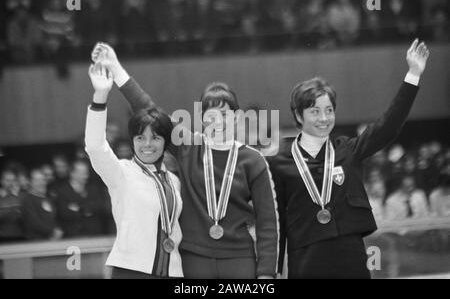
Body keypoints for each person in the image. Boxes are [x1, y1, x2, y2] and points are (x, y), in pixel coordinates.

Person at [91, 43, 279, 279]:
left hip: (239, 257)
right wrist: (116, 69)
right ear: (201, 119)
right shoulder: (188, 146)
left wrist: (266, 273)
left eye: (224, 114)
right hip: (193, 257)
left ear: (238, 117)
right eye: (210, 116)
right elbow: (148, 108)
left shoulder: (254, 160)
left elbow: (268, 221)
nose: (217, 122)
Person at [268, 39, 430, 279]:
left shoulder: (347, 150)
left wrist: (413, 74)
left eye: (329, 110)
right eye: (314, 111)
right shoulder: (279, 163)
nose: (324, 118)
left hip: (350, 257)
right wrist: (273, 272)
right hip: (306, 261)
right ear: (298, 116)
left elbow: (387, 126)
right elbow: (277, 222)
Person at [85, 63, 183, 279]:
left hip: (173, 272)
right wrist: (100, 96)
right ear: (132, 141)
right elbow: (94, 146)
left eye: (155, 137)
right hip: (131, 271)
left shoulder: (174, 180)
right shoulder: (121, 172)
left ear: (165, 142)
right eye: (140, 137)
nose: (147, 144)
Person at [53, 159, 109, 238]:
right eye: (82, 173)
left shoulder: (93, 188)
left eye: (86, 173)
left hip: (95, 236)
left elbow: (100, 207)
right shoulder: (62, 192)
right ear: (72, 173)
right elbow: (64, 213)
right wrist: (88, 210)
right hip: (74, 237)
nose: (86, 176)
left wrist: (79, 208)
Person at [22, 168, 62, 241]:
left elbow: (54, 219)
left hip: (52, 241)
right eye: (37, 180)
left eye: (43, 180)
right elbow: (34, 223)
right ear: (30, 182)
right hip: (35, 243)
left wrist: (57, 231)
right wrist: (53, 232)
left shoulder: (49, 199)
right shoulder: (28, 200)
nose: (41, 183)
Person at [0, 168, 24, 243]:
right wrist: (12, 211)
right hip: (2, 237)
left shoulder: (21, 196)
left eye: (12, 180)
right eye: (8, 180)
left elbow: (25, 216)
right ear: (1, 181)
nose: (10, 183)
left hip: (20, 236)